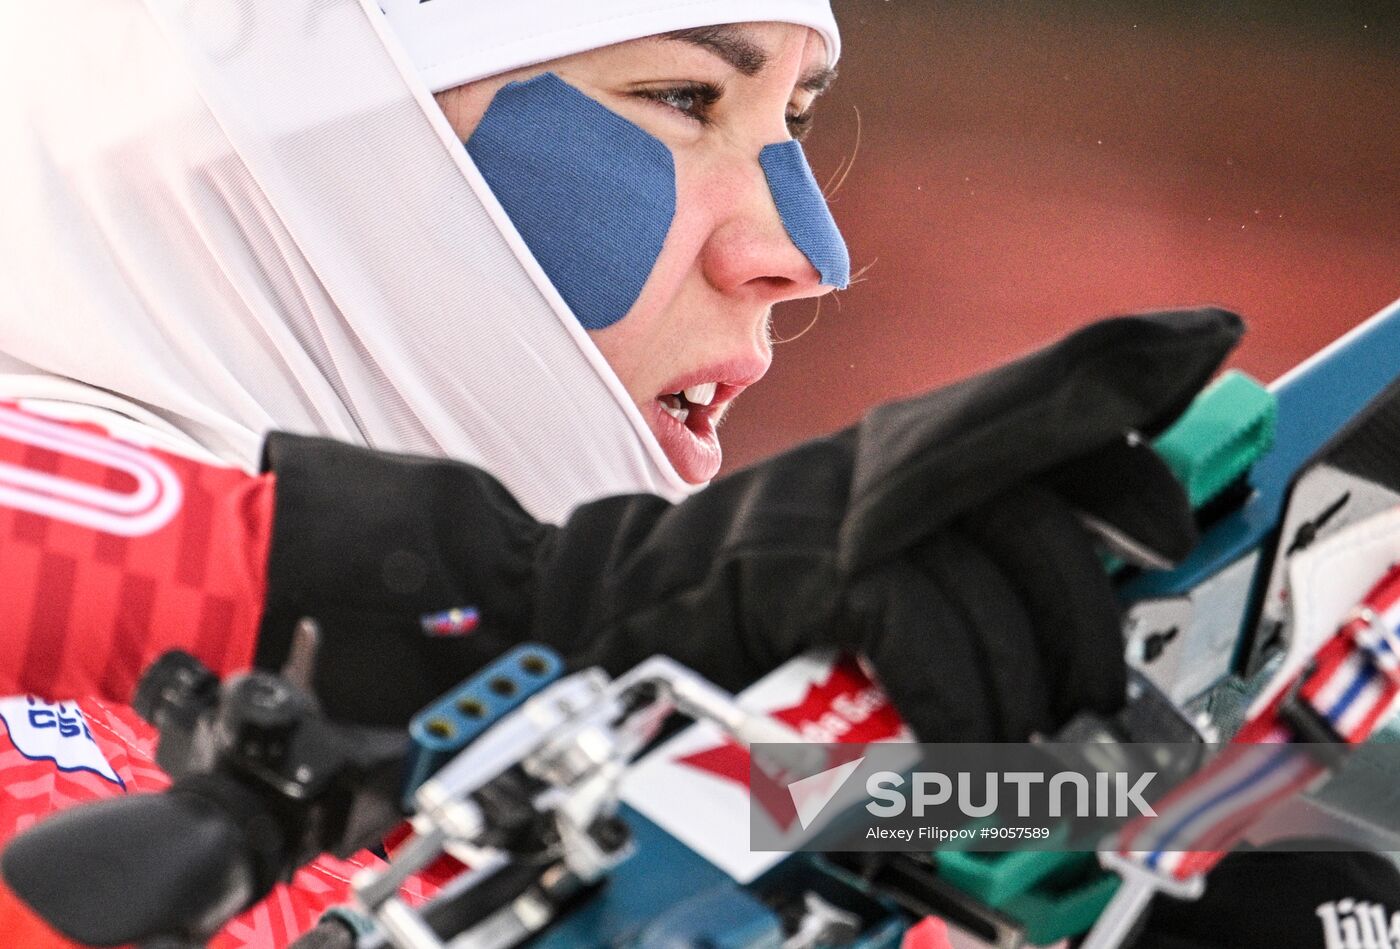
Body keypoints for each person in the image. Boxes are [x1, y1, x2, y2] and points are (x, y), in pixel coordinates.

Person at [0, 0, 1244, 945]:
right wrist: (500, 590)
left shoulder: (589, 710)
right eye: (683, 98)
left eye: (794, 123)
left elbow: (756, 821)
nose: (804, 251)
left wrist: (1095, 877)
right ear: (281, 153)